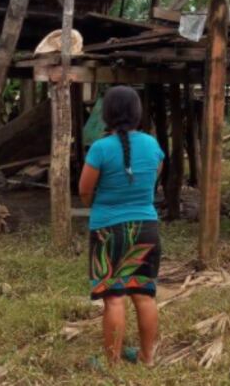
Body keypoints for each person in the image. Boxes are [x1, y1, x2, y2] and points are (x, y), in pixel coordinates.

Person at [78, 85, 165, 366]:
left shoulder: (100, 148)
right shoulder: (153, 145)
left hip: (108, 230)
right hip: (146, 228)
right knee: (144, 294)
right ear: (137, 113)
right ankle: (147, 357)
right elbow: (152, 180)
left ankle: (112, 362)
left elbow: (84, 191)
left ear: (107, 114)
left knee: (114, 298)